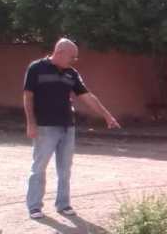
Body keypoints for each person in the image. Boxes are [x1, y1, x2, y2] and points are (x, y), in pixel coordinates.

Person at [23, 38, 120, 219]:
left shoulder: (71, 74)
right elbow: (28, 97)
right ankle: (35, 207)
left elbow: (88, 96)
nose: (74, 60)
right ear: (59, 52)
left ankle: (63, 204)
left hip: (68, 127)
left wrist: (107, 115)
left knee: (65, 168)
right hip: (45, 127)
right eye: (72, 57)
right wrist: (30, 123)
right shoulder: (36, 68)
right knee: (39, 167)